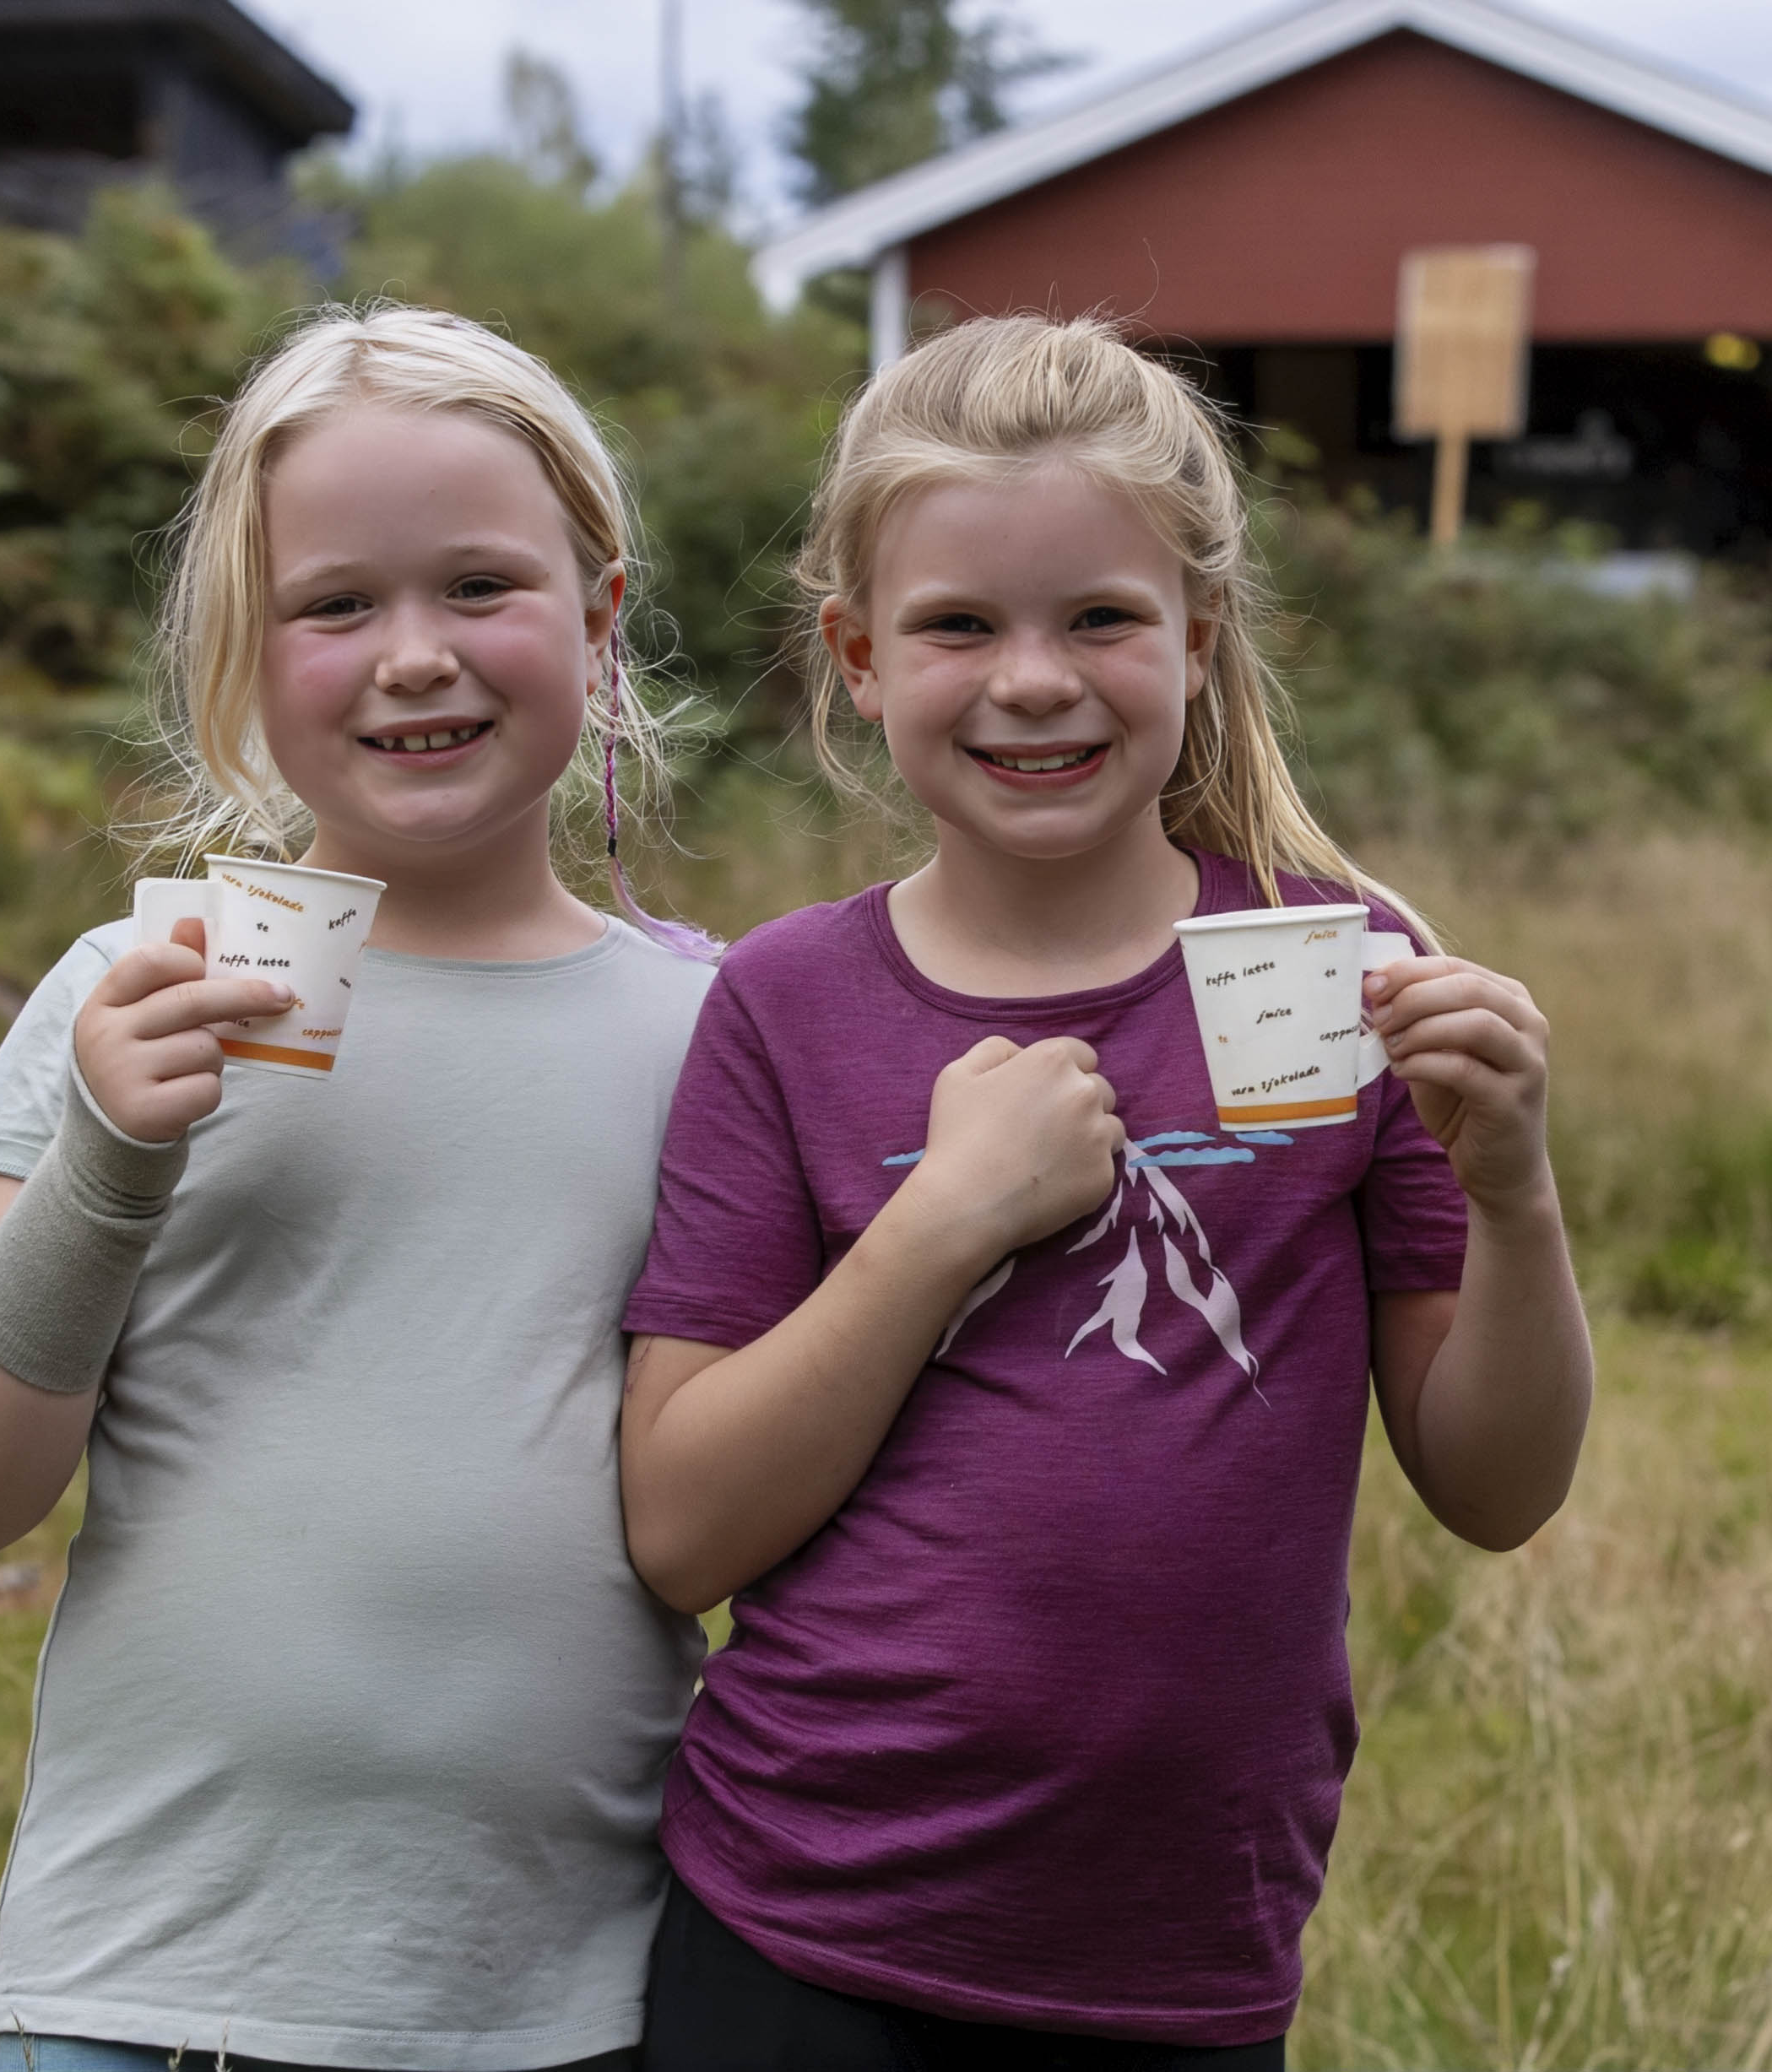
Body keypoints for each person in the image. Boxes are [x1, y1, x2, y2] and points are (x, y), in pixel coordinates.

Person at [619, 315, 1595, 2069]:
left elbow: (1497, 1488)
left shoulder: (1337, 970)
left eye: (1100, 619)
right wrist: (942, 1224)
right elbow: (681, 1526)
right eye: (956, 626)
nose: (1034, 680)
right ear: (854, 656)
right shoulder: (785, 1005)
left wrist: (1514, 1192)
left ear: (1198, 638)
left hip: (1184, 1955)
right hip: (798, 1928)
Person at [0, 304, 717, 2072]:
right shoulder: (138, 984)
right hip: (154, 1992)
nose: (414, 656)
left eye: (481, 586)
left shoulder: (709, 1036)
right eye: (336, 606)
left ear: (600, 614)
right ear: (248, 661)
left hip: (568, 2003)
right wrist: (109, 1157)